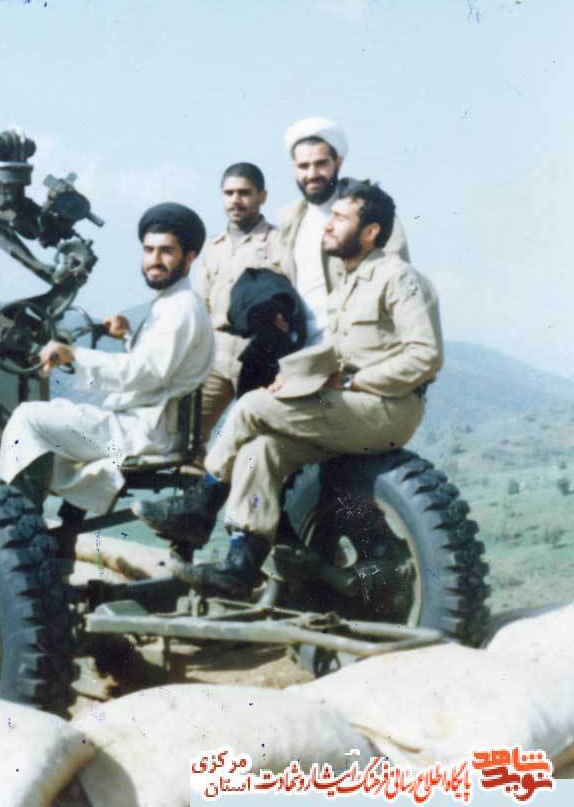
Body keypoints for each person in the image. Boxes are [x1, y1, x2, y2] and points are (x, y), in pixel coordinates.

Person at [159, 179, 442, 596]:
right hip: (351, 407)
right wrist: (293, 377)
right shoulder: (349, 283)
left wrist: (355, 381)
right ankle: (242, 562)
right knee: (259, 453)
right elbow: (337, 354)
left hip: (388, 408)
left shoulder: (398, 277)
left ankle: (201, 506)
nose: (328, 225)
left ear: (371, 232)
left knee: (252, 407)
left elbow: (425, 356)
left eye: (341, 218)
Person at [0, 203, 214, 516]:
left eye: (166, 251)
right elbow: (160, 363)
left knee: (28, 418)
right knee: (55, 414)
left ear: (190, 257)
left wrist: (74, 354)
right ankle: (51, 524)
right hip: (149, 425)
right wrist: (127, 337)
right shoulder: (173, 302)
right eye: (149, 250)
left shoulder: (181, 308)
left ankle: (13, 519)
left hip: (144, 433)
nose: (154, 260)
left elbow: (146, 373)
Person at [278, 117, 410, 345]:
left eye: (321, 163)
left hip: (359, 346)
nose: (312, 174)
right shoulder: (290, 218)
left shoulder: (370, 209)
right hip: (303, 349)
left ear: (337, 162)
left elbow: (396, 274)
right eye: (303, 166)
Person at [188, 162, 290, 439]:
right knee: (188, 433)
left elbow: (294, 299)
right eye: (229, 193)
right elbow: (200, 305)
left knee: (259, 436)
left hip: (260, 352)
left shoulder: (279, 241)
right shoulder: (213, 246)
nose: (235, 200)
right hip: (216, 352)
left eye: (244, 193)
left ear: (262, 196)